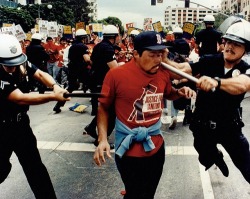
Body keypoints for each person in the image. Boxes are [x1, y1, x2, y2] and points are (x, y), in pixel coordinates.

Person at [93, 31, 196, 198]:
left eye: (161, 54)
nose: (158, 60)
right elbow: (103, 108)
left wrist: (180, 92)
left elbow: (168, 93)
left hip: (155, 147)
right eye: (153, 55)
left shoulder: (163, 73)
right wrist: (103, 139)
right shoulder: (116, 75)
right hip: (128, 149)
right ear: (136, 54)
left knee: (148, 194)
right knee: (135, 193)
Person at [165, 20, 250, 182]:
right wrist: (164, 60)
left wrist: (217, 82)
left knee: (248, 168)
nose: (230, 47)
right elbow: (182, 70)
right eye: (228, 42)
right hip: (203, 126)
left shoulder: (246, 69)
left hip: (229, 127)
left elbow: (243, 84)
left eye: (237, 45)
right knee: (205, 158)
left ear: (246, 50)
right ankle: (215, 156)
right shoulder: (209, 60)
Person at [0, 34, 70, 198]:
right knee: (2, 169)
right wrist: (54, 97)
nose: (13, 67)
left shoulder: (20, 61)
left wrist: (55, 86)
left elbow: (39, 74)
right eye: (8, 65)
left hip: (20, 125)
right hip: (2, 129)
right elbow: (20, 98)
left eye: (15, 63)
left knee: (35, 168)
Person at [84, 25, 120, 147]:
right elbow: (115, 69)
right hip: (104, 83)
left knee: (106, 109)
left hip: (96, 80)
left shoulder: (99, 46)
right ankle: (101, 139)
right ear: (114, 37)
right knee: (111, 113)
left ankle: (91, 127)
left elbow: (93, 62)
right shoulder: (108, 49)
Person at [52, 29, 91, 113]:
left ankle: (58, 105)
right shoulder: (83, 46)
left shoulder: (72, 47)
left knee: (70, 88)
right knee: (93, 86)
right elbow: (87, 59)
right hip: (81, 69)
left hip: (72, 68)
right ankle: (95, 110)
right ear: (83, 38)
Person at [167, 27, 194, 130]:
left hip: (175, 67)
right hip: (186, 67)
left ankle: (174, 116)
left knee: (175, 91)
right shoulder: (186, 44)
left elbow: (169, 54)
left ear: (174, 34)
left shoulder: (173, 43)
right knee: (187, 93)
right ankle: (187, 116)